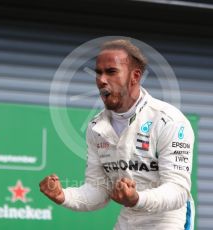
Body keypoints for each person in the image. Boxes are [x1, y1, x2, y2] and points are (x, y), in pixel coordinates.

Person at [39, 39, 195, 230]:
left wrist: (137, 198)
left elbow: (178, 191)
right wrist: (64, 196)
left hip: (168, 221)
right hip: (128, 219)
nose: (101, 80)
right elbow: (99, 190)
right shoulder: (96, 127)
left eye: (111, 72)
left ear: (134, 76)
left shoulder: (169, 120)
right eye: (98, 72)